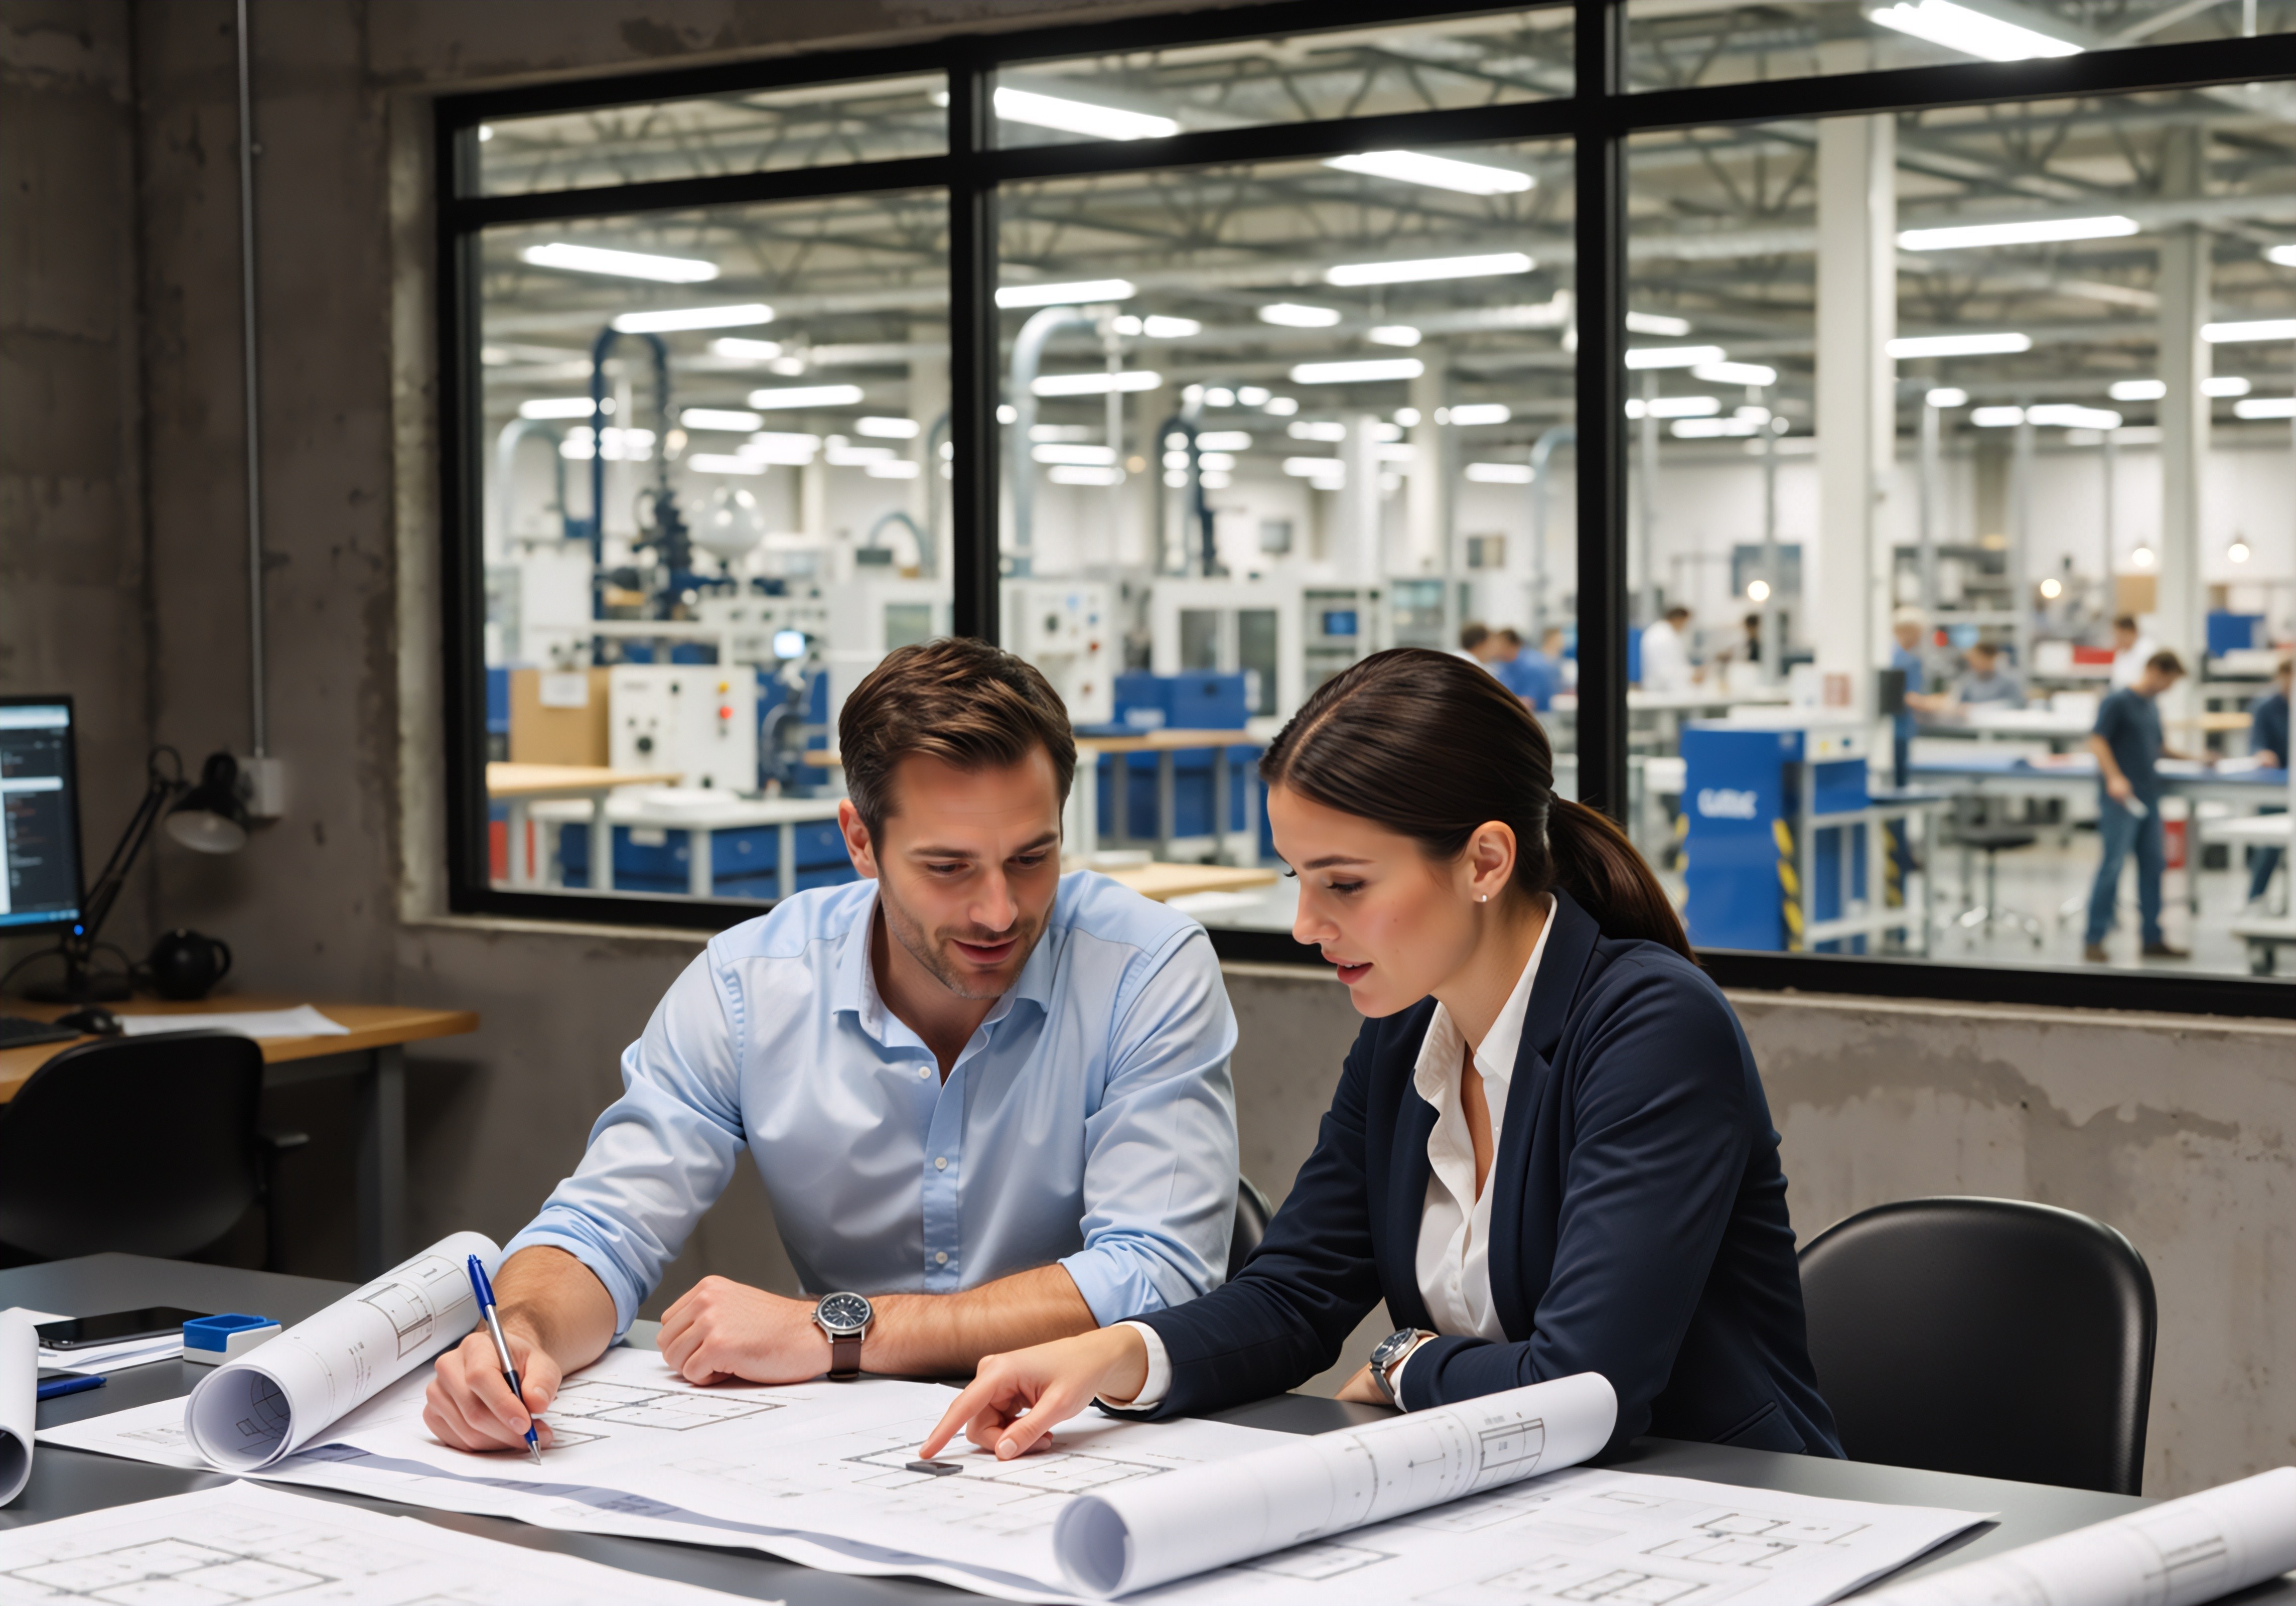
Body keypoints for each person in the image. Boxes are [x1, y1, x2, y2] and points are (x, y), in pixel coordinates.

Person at [923, 649, 1841, 1465]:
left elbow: (1584, 1384)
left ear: (1485, 862)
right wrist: (1118, 1355)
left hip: (1723, 1511)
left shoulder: (1650, 1028)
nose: (1306, 925)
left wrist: (1404, 1361)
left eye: (1345, 885)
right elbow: (1294, 1295)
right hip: (1516, 1510)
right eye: (1299, 879)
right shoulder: (1409, 1032)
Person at [425, 638, 1240, 1453]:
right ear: (859, 841)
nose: (999, 911)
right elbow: (604, 1226)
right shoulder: (752, 985)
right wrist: (521, 1336)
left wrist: (838, 1330)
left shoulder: (1146, 969)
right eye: (948, 867)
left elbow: (1158, 1274)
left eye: (1032, 858)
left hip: (1092, 1439)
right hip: (852, 1451)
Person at [2084, 649, 2196, 963]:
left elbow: (2159, 748)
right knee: (2113, 866)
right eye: (2169, 681)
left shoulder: (2151, 707)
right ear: (2156, 672)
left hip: (2149, 795)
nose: (2169, 688)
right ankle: (2094, 937)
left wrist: (2197, 760)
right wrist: (2114, 778)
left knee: (2153, 865)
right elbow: (2097, 741)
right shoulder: (2118, 701)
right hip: (2121, 797)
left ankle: (2152, 938)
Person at [2245, 656, 2291, 906]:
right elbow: (2256, 744)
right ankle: (2255, 901)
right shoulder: (2265, 706)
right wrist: (2263, 754)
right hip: (2274, 788)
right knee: (2269, 847)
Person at [1888, 607, 1929, 786]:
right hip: (1897, 729)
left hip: (1899, 728)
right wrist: (1940, 705)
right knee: (1899, 781)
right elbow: (1909, 697)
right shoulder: (1905, 660)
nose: (1920, 637)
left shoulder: (1893, 656)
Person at [1637, 605, 1697, 694]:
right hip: (1661, 690)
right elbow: (1665, 671)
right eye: (1686, 622)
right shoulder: (1662, 636)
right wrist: (1691, 674)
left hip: (1665, 688)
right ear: (1679, 619)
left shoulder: (1666, 633)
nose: (1686, 626)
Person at [1500, 626, 1560, 712]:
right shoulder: (1505, 664)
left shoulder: (1533, 666)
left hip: (1537, 717)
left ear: (1509, 645)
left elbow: (1528, 703)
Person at [1948, 642, 2023, 707]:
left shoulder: (2008, 681)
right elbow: (1961, 704)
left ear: (1990, 658)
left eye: (1978, 659)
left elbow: (2018, 704)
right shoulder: (1968, 681)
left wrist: (1980, 708)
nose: (1974, 663)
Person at [2109, 615, 2159, 691]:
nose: (2117, 640)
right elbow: (2116, 681)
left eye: (2119, 636)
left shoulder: (2148, 650)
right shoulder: (2121, 653)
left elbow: (2149, 682)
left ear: (2130, 632)